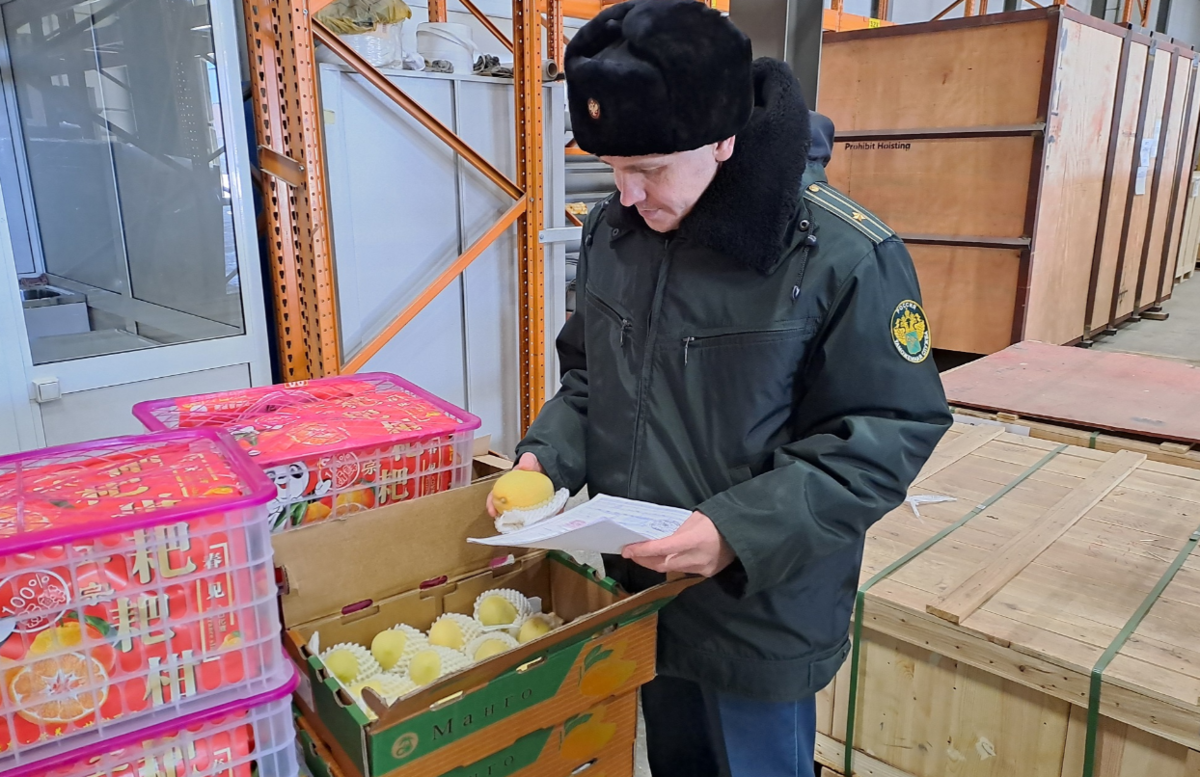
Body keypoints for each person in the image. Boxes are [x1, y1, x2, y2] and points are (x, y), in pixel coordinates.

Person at [497, 2, 953, 774]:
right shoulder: (617, 232)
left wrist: (736, 532)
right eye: (611, 168)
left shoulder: (840, 255)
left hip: (759, 611)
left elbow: (885, 431)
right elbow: (591, 376)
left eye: (647, 170)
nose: (625, 194)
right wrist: (546, 457)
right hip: (646, 591)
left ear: (722, 139)